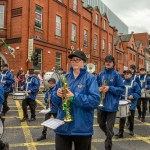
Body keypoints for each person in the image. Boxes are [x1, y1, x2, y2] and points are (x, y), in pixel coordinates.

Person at [51, 50, 100, 150]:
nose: (74, 62)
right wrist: (57, 95)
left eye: (77, 60)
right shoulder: (64, 77)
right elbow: (54, 101)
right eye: (73, 60)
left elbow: (94, 101)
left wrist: (74, 97)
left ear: (84, 62)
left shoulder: (90, 78)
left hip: (82, 127)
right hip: (63, 126)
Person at [97, 55, 125, 150]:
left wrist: (110, 88)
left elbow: (122, 89)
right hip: (101, 105)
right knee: (100, 124)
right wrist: (98, 89)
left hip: (112, 105)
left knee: (109, 127)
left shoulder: (117, 75)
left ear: (113, 63)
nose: (108, 63)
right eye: (106, 61)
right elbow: (94, 87)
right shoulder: (100, 74)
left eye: (110, 61)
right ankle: (110, 135)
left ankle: (108, 145)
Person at [115, 70, 141, 138]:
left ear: (131, 75)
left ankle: (131, 130)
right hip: (123, 104)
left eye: (127, 74)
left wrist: (133, 95)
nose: (126, 75)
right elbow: (118, 91)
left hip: (131, 104)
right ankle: (120, 133)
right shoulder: (122, 83)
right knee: (122, 118)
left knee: (131, 118)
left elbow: (138, 93)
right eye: (125, 74)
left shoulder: (135, 83)